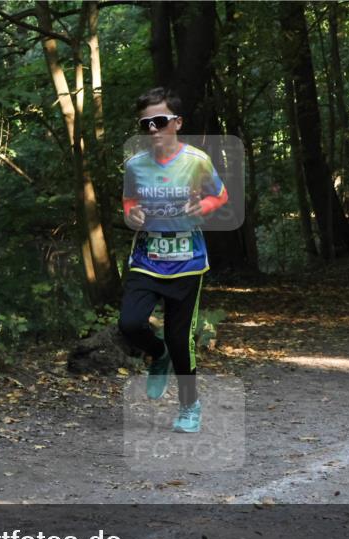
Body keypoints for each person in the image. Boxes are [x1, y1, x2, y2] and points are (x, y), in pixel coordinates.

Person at [118, 88, 228, 434]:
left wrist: (203, 207)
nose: (153, 129)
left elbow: (220, 194)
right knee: (129, 324)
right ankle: (158, 352)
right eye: (146, 124)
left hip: (187, 262)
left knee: (181, 340)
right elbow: (129, 201)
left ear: (177, 123)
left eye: (160, 121)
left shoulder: (197, 161)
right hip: (146, 258)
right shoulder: (135, 165)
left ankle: (189, 405)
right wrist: (131, 214)